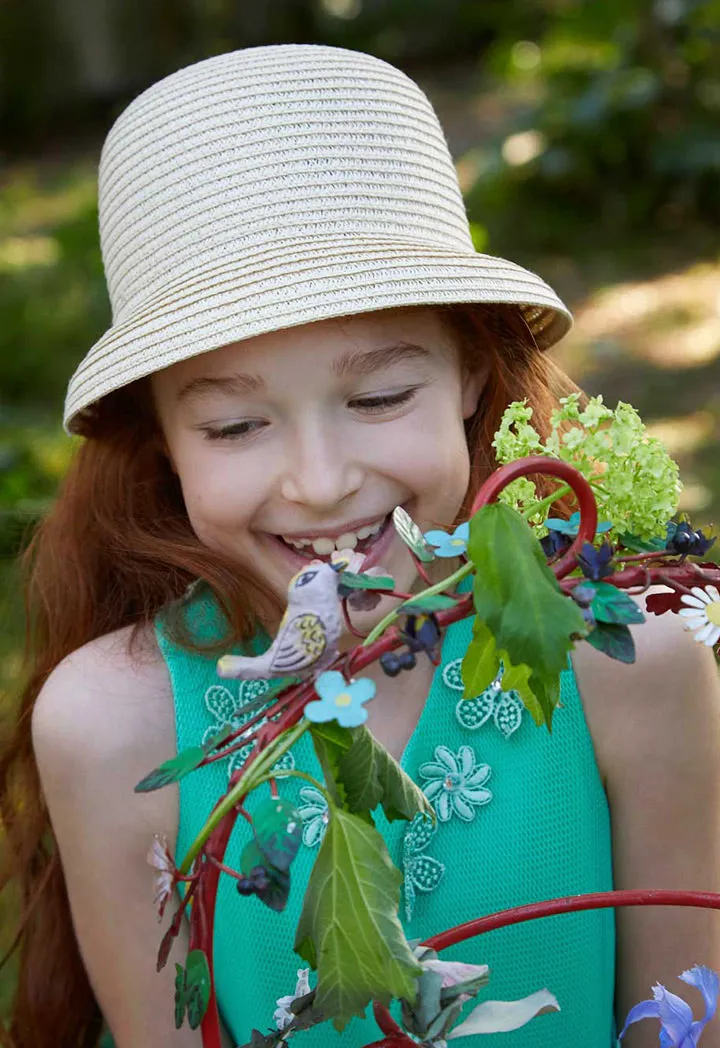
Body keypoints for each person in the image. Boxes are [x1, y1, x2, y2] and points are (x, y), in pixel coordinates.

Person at [1, 43, 719, 1048]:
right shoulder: (110, 725)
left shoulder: (629, 668)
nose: (322, 478)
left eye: (379, 397)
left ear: (471, 373)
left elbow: (686, 1017)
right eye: (234, 425)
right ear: (159, 439)